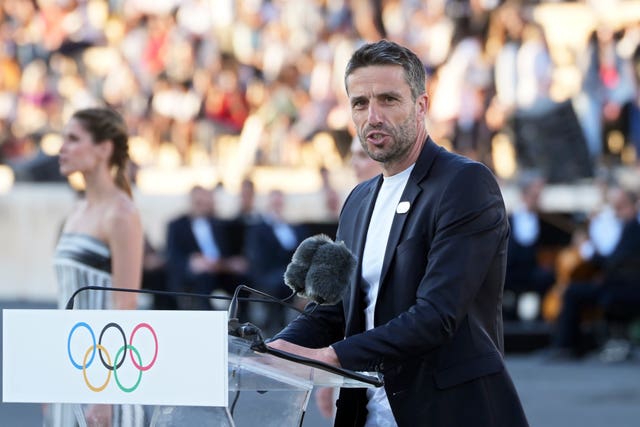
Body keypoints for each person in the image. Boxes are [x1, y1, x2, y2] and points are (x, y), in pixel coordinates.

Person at [268, 40, 528, 426]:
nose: (373, 116)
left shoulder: (465, 184)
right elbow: (337, 309)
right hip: (369, 414)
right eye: (360, 103)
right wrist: (275, 349)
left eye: (388, 99)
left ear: (421, 106)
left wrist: (332, 356)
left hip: (452, 412)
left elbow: (436, 315)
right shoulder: (358, 200)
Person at [51, 107, 145, 426]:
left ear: (104, 149)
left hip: (103, 381)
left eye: (73, 139)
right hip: (68, 372)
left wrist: (106, 393)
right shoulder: (76, 212)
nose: (62, 148)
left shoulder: (121, 214)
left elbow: (126, 305)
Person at [548, 187, 640, 359]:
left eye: (620, 207)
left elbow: (614, 262)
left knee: (572, 292)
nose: (617, 212)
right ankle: (572, 345)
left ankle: (565, 346)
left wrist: (589, 249)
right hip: (619, 286)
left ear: (632, 206)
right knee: (574, 290)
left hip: (623, 290)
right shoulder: (629, 227)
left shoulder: (633, 229)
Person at [165, 185, 247, 310]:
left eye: (206, 202)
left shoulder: (219, 224)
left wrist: (230, 262)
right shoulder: (176, 225)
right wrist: (191, 263)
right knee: (203, 281)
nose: (203, 205)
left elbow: (229, 250)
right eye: (199, 202)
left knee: (242, 279)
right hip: (197, 274)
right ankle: (208, 320)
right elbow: (172, 256)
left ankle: (241, 322)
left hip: (221, 269)